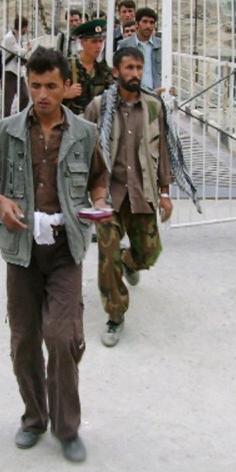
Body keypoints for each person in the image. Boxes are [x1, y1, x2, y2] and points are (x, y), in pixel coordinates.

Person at [0, 47, 111, 464]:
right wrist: (0, 202)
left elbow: (99, 179)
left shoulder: (84, 133)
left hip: (66, 249)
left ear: (66, 86)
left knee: (63, 338)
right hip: (22, 250)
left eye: (51, 86)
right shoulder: (8, 130)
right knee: (24, 340)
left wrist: (99, 203)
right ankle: (33, 418)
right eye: (35, 86)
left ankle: (67, 427)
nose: (42, 95)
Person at [83, 47, 174, 347]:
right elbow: (84, 151)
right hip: (107, 196)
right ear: (116, 72)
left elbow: (162, 152)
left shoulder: (154, 107)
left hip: (141, 193)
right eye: (129, 68)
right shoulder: (98, 107)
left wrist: (165, 193)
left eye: (139, 68)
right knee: (107, 259)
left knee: (149, 252)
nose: (135, 73)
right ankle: (115, 316)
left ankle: (130, 262)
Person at [63, 18, 112, 115]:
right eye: (94, 41)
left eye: (101, 41)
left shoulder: (103, 70)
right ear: (82, 42)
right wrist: (65, 95)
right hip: (73, 119)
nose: (98, 46)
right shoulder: (67, 66)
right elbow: (48, 94)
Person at [117, 7, 164, 93]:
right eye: (145, 22)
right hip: (132, 95)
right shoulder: (124, 45)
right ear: (136, 24)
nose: (148, 26)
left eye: (151, 22)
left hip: (157, 94)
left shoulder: (162, 45)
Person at [2, 15, 31, 117]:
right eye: (26, 28)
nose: (26, 30)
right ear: (23, 27)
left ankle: (17, 117)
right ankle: (5, 122)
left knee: (25, 97)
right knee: (7, 103)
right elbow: (17, 52)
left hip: (18, 72)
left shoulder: (17, 37)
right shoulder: (9, 37)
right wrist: (28, 49)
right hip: (10, 72)